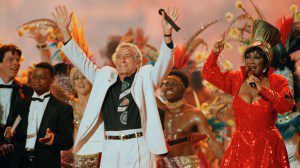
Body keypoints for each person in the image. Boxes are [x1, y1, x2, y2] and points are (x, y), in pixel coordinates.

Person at [52, 5, 178, 167]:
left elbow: (165, 63)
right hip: (111, 146)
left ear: (137, 62)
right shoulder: (104, 78)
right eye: (118, 57)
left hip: (138, 145)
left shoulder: (145, 77)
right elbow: (80, 60)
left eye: (127, 56)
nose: (122, 60)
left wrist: (167, 34)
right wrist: (64, 30)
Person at [202, 19, 294, 167]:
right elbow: (208, 73)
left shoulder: (277, 81)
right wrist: (214, 53)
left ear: (266, 61)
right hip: (241, 146)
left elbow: (286, 106)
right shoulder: (236, 79)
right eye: (248, 57)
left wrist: (263, 90)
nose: (251, 61)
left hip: (268, 147)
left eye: (256, 57)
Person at [4, 62, 74, 168]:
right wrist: (8, 133)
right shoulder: (21, 104)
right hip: (19, 161)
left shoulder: (63, 108)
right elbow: (12, 131)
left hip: (46, 163)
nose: (37, 81)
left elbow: (68, 141)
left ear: (52, 80)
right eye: (34, 77)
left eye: (42, 77)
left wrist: (53, 138)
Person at [157, 70, 224, 168]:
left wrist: (230, 163)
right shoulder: (159, 109)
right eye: (166, 84)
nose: (169, 87)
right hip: (163, 163)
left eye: (174, 84)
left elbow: (212, 142)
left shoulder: (194, 115)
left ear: (185, 90)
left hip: (186, 163)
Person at [0, 44, 33, 168]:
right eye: (11, 59)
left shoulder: (27, 92)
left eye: (18, 60)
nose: (16, 63)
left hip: (17, 158)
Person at [61, 67, 99, 168]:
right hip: (72, 158)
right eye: (76, 78)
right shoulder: (68, 106)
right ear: (72, 83)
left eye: (84, 77)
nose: (80, 81)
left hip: (98, 157)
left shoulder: (101, 105)